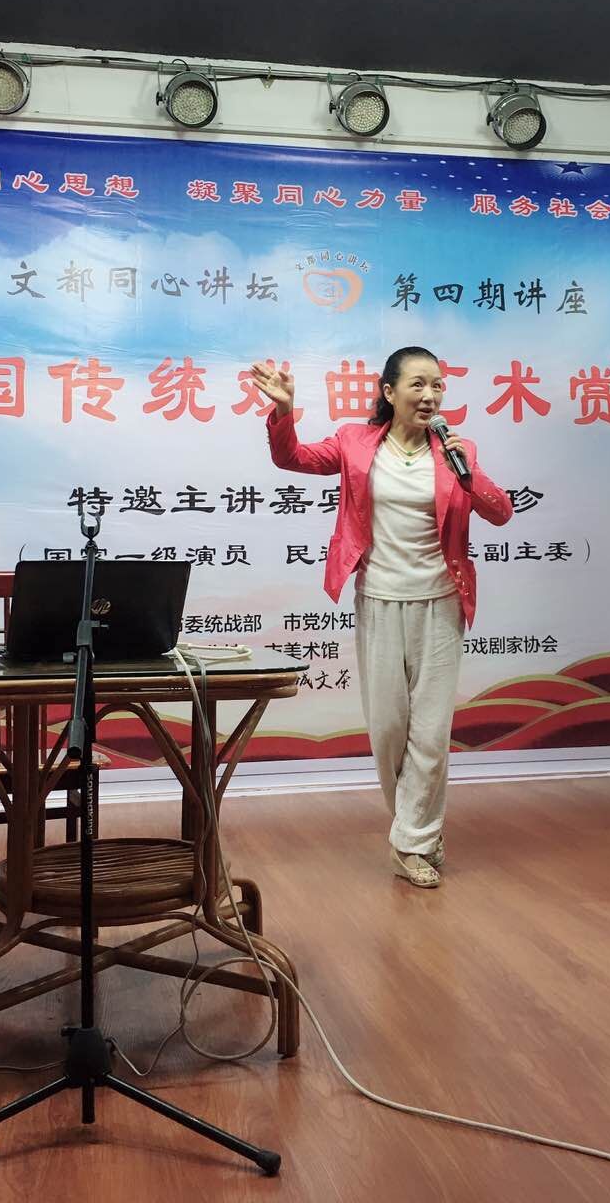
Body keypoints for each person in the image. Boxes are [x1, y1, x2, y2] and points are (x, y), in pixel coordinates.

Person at [251, 347, 513, 888]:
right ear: (389, 392)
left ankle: (413, 840)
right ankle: (415, 827)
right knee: (390, 729)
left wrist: (469, 477)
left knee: (431, 732)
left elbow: (501, 511)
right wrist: (284, 410)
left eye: (437, 385)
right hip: (379, 598)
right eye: (418, 384)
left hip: (441, 601)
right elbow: (292, 458)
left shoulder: (458, 451)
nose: (430, 395)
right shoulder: (355, 441)